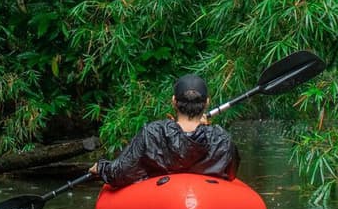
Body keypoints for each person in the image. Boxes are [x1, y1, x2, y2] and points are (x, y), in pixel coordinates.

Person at [88, 74, 240, 189]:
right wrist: (205, 131)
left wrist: (101, 168)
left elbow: (121, 173)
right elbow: (231, 173)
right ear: (207, 102)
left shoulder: (153, 133)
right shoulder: (221, 138)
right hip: (207, 200)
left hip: (161, 200)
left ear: (174, 101)